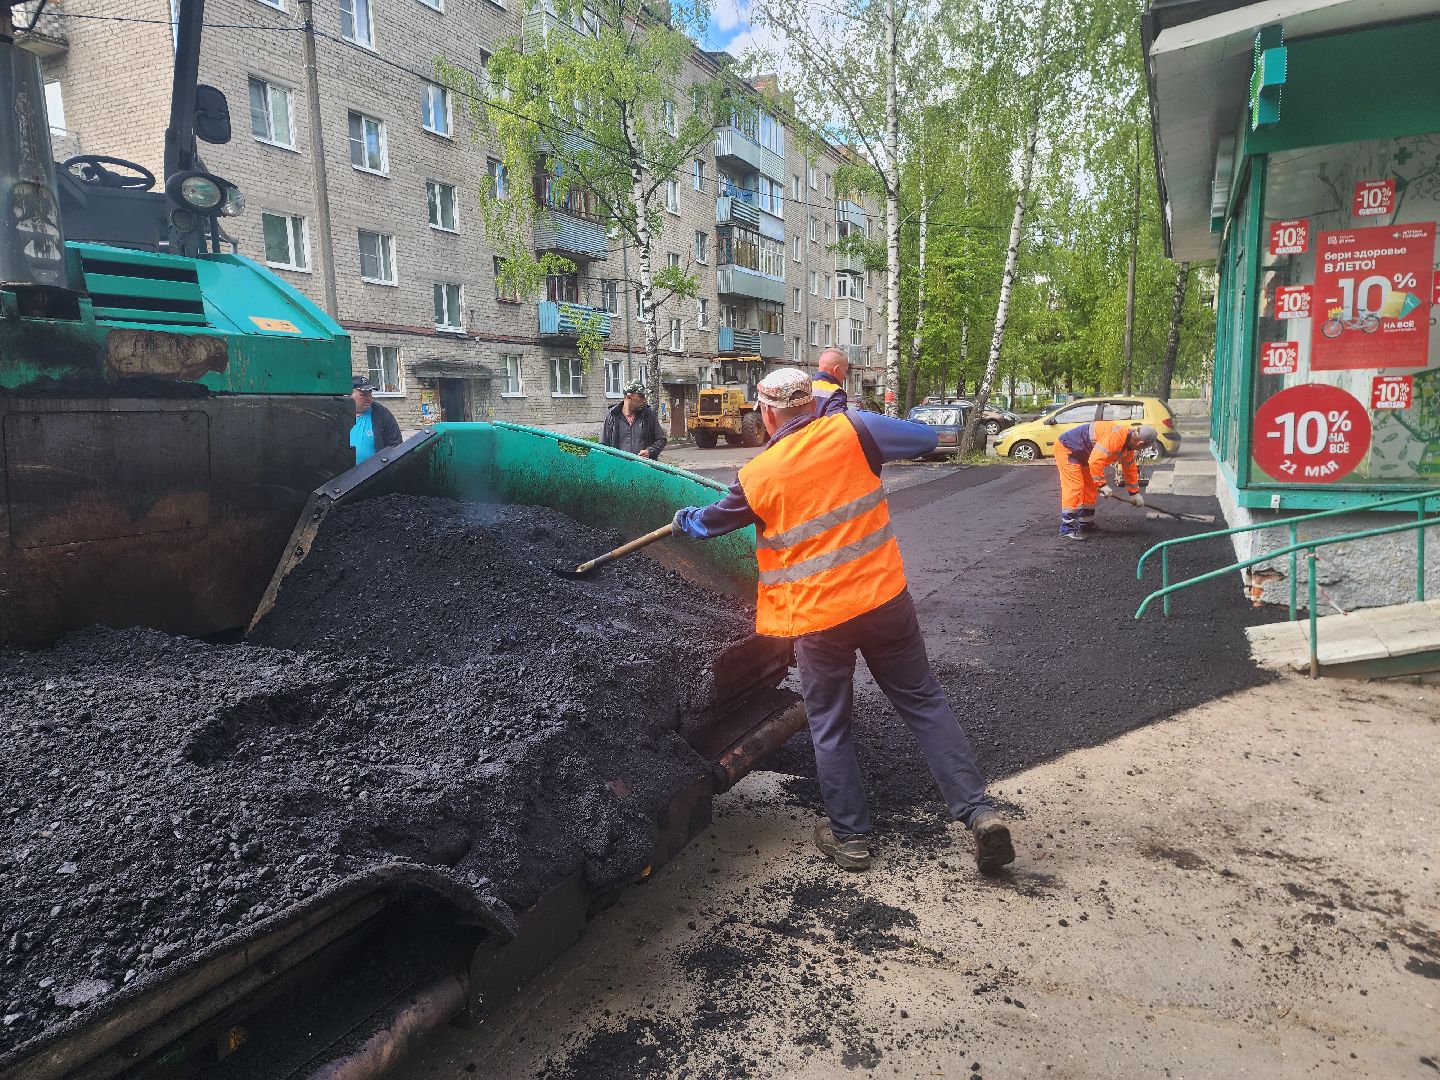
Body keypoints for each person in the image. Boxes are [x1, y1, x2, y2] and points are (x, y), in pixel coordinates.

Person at [671, 368, 1015, 874]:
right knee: (923, 702)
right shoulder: (854, 430)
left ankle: (851, 839)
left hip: (819, 619)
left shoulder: (759, 476)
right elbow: (925, 437)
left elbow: (709, 523)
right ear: (812, 404)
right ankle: (978, 812)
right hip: (883, 601)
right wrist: (847, 416)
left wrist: (685, 520)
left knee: (830, 725)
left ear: (767, 414)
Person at [1054, 422, 1157, 541]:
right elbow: (1095, 461)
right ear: (1141, 443)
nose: (1142, 450)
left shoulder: (1128, 446)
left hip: (1084, 453)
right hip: (1068, 449)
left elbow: (1130, 469)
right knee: (1075, 486)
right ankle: (1067, 529)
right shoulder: (1116, 437)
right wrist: (1102, 485)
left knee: (1089, 486)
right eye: (1144, 448)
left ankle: (1086, 524)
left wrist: (1134, 493)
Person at [601, 381, 667, 460]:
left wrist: (649, 451)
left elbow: (661, 439)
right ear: (629, 396)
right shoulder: (612, 416)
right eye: (641, 396)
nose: (644, 400)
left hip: (643, 467)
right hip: (619, 468)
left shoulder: (648, 415)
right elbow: (603, 445)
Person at [350, 374, 402, 465]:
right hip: (344, 477)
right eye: (362, 395)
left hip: (375, 475)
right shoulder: (336, 414)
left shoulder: (381, 413)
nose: (369, 398)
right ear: (348, 395)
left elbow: (396, 445)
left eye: (370, 394)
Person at [811, 347, 850, 416]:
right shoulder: (836, 392)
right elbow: (836, 424)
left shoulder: (806, 387)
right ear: (836, 370)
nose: (845, 376)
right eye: (845, 371)